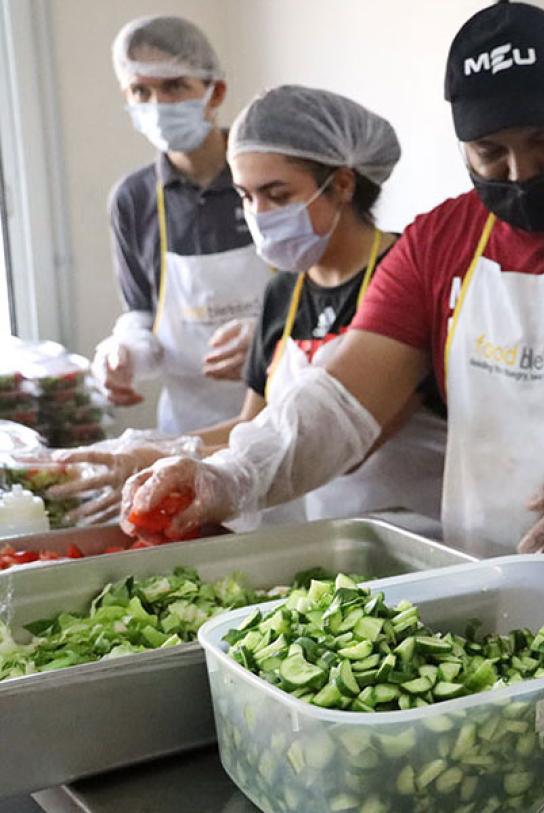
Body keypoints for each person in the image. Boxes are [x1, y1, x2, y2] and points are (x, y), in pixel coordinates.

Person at [118, 2, 544, 554]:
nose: (521, 173)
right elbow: (338, 405)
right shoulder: (438, 243)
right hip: (482, 573)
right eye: (489, 153)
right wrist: (232, 475)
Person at [52, 87, 447, 529]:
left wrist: (195, 461)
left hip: (416, 529)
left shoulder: (403, 281)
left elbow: (339, 446)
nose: (259, 214)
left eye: (277, 195)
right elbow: (253, 424)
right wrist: (155, 451)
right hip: (327, 534)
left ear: (341, 184)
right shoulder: (283, 293)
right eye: (245, 196)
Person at [98, 16, 267, 434]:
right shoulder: (133, 200)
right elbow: (142, 311)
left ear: (215, 92)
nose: (157, 105)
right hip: (187, 422)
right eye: (141, 91)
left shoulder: (269, 177)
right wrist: (124, 355)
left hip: (278, 408)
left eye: (174, 86)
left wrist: (271, 339)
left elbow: (320, 291)